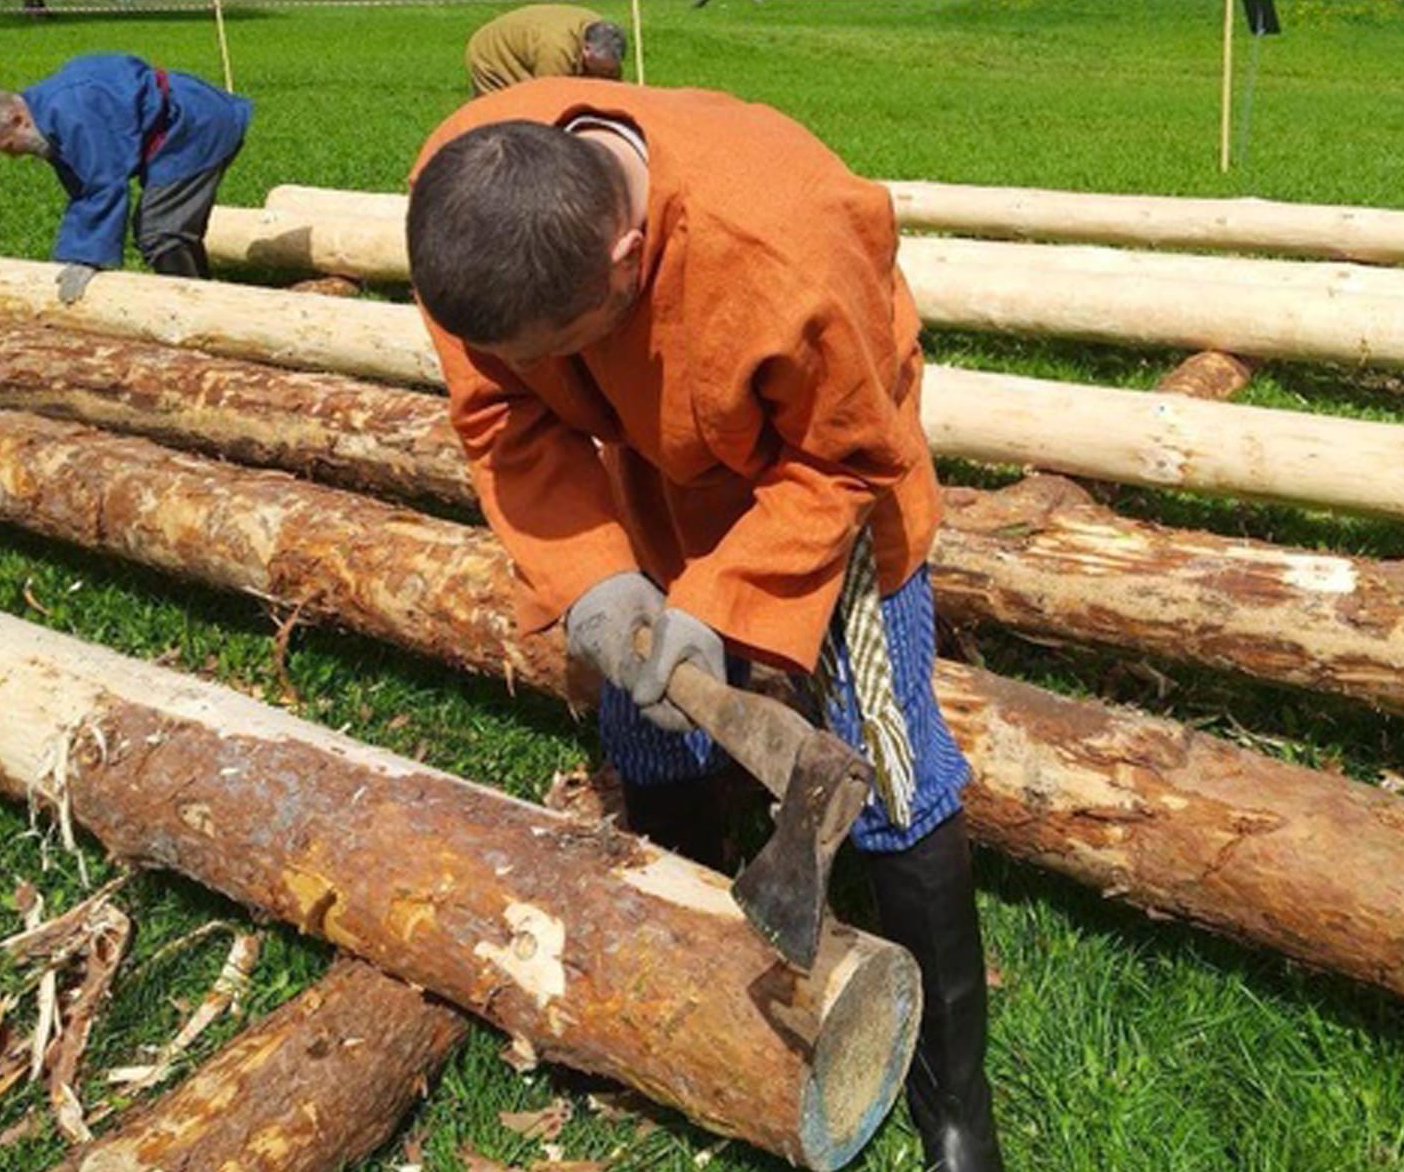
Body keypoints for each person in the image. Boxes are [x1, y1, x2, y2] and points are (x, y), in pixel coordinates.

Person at [406, 80, 1004, 1172]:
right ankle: (688, 958)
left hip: (822, 464)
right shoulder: (469, 202)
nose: (533, 363)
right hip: (653, 456)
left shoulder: (787, 243)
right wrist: (591, 576)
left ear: (631, 254)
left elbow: (844, 458)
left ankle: (952, 1101)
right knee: (640, 710)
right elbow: (500, 417)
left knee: (889, 751)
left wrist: (727, 601)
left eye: (566, 339)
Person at [0, 53, 252, 304]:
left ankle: (196, 308)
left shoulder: (72, 113)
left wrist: (86, 257)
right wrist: (69, 256)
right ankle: (201, 289)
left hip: (196, 125)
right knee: (167, 229)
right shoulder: (45, 114)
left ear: (17, 119)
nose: (15, 157)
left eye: (10, 147)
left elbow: (103, 183)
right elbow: (83, 189)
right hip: (184, 123)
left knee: (161, 233)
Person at [464, 4, 626, 95]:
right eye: (603, 70)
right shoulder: (555, 51)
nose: (605, 76)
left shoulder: (602, 30)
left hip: (534, 43)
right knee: (506, 116)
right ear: (586, 49)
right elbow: (549, 98)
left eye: (610, 71)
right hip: (493, 52)